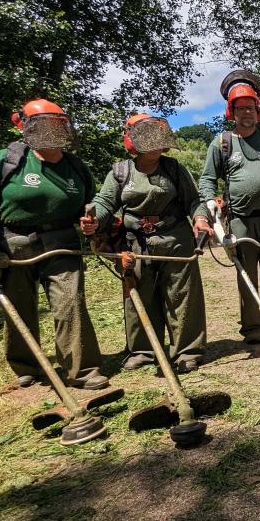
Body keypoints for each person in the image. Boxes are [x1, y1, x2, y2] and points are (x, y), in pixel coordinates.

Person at [0, 99, 107, 389]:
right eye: (44, 125)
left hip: (62, 242)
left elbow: (90, 202)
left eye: (58, 125)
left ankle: (81, 370)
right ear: (27, 128)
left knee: (70, 304)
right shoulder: (7, 160)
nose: (52, 131)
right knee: (19, 305)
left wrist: (91, 222)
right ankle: (26, 365)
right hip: (14, 243)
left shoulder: (75, 168)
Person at [81, 114, 210, 373]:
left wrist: (200, 218)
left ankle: (187, 351)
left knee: (182, 296)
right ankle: (143, 350)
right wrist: (94, 221)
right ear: (132, 140)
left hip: (176, 240)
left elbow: (194, 200)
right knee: (138, 295)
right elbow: (105, 202)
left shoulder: (174, 169)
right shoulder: (120, 172)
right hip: (135, 243)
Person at [199, 69, 260, 344]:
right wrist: (210, 203)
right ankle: (252, 328)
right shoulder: (222, 144)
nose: (247, 114)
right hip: (240, 219)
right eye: (240, 109)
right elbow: (207, 179)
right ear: (231, 112)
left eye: (251, 108)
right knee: (246, 274)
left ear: (258, 110)